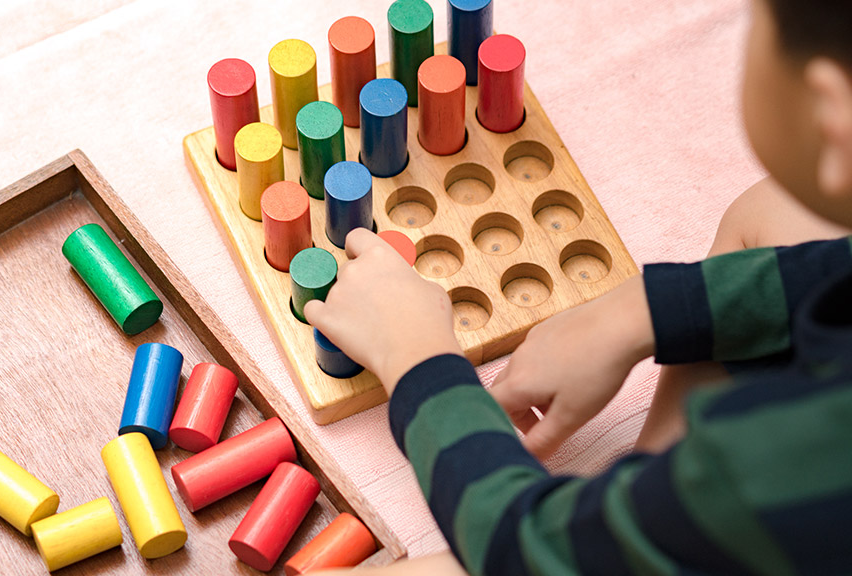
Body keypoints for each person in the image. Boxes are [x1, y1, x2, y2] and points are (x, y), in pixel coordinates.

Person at [304, 0, 852, 573]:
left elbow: (522, 547)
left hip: (751, 509)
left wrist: (415, 358)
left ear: (828, 111)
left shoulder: (775, 467)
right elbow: (826, 268)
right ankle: (649, 500)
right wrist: (639, 312)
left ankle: (644, 524)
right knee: (778, 210)